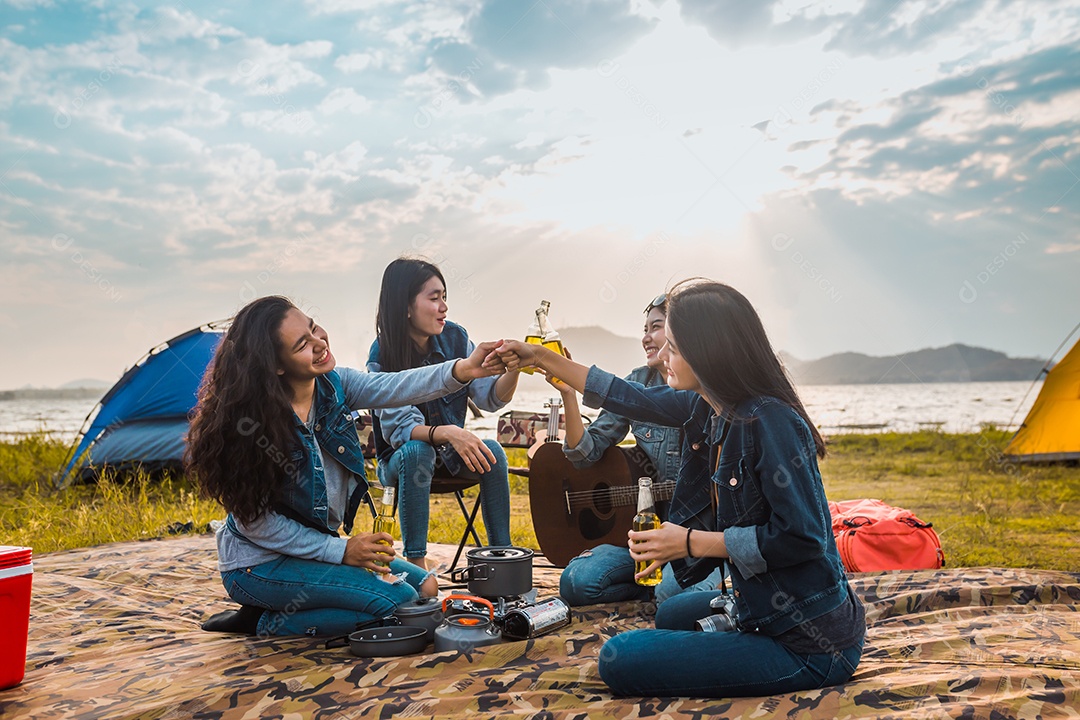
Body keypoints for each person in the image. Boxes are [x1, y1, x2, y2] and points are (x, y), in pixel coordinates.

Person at [495, 279, 864, 698]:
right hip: (758, 607)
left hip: (809, 642)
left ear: (708, 349)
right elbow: (625, 395)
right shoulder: (709, 407)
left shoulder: (770, 421)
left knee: (621, 657)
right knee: (671, 613)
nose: (661, 355)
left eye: (673, 345)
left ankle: (749, 647)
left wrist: (688, 542)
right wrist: (541, 355)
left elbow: (804, 538)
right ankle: (734, 630)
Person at [187, 295, 504, 637]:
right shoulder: (251, 425)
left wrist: (464, 369)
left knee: (425, 588)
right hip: (259, 565)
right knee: (398, 605)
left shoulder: (333, 385)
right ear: (276, 365)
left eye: (313, 329)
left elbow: (397, 385)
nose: (319, 342)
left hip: (314, 552)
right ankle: (260, 620)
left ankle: (309, 603)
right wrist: (342, 550)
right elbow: (256, 525)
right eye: (302, 344)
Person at [551, 293, 722, 606]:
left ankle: (677, 588)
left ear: (680, 332)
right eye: (644, 329)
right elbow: (584, 453)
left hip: (697, 540)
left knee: (675, 597)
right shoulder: (637, 382)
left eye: (655, 327)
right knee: (577, 582)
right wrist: (568, 394)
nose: (646, 338)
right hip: (647, 537)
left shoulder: (708, 391)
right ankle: (651, 589)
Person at [367, 258, 517, 571]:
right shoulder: (383, 352)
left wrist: (514, 369)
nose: (444, 307)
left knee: (492, 451)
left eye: (444, 297)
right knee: (417, 450)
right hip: (400, 463)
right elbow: (399, 430)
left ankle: (502, 560)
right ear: (406, 306)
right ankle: (417, 568)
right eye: (434, 298)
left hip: (449, 458)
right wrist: (449, 432)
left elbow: (489, 397)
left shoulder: (456, 339)